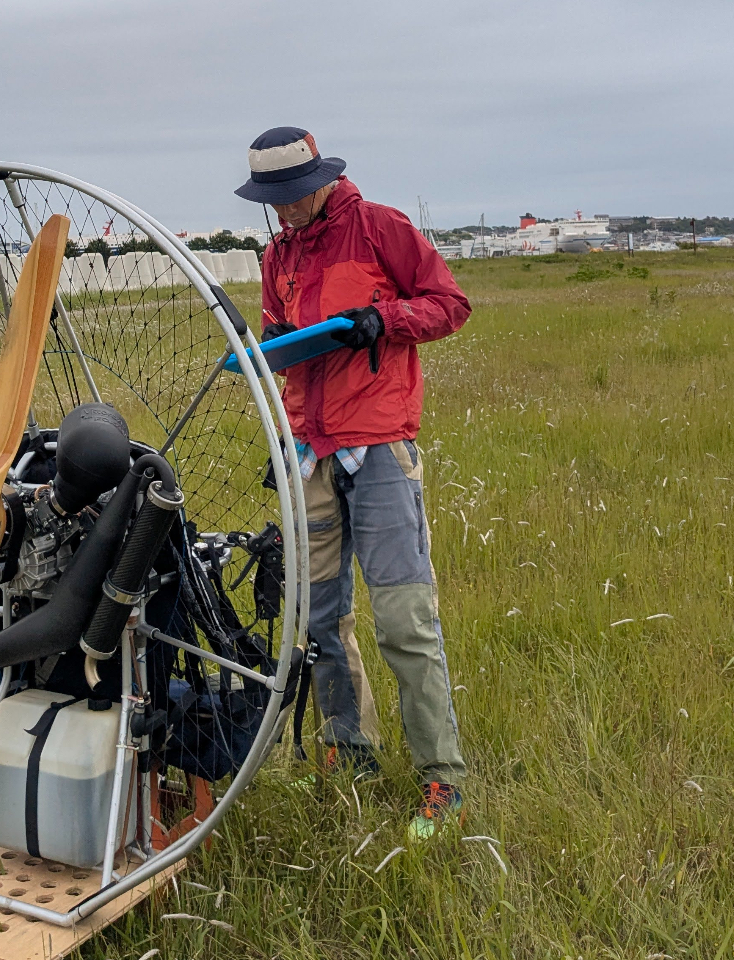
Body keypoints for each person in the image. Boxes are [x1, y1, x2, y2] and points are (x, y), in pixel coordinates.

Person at [234, 127, 472, 839]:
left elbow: (449, 304)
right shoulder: (278, 254)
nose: (281, 214)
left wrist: (383, 318)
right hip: (309, 453)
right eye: (269, 202)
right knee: (320, 620)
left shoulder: (381, 228)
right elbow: (283, 345)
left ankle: (442, 777)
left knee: (405, 619)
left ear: (320, 182)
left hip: (381, 449)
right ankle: (351, 748)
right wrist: (276, 403)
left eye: (289, 199)